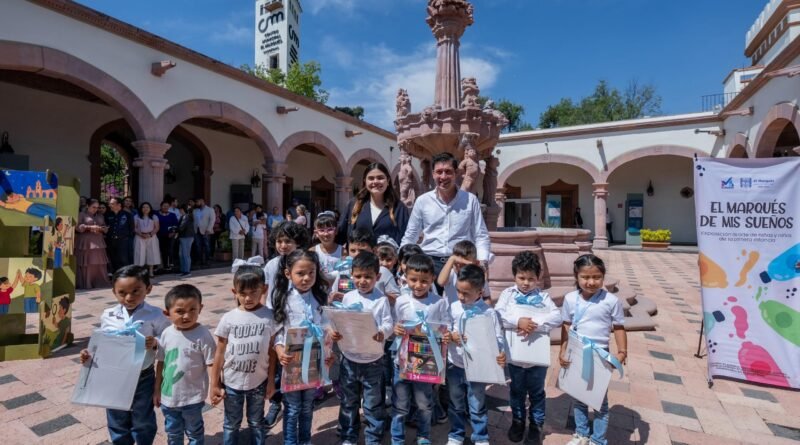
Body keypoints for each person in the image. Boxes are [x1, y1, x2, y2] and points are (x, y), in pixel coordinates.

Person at [79, 265, 170, 445]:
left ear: (148, 289)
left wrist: (155, 343)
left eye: (136, 291)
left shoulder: (155, 314)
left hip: (142, 375)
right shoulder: (109, 315)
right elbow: (102, 342)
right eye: (122, 293)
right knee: (117, 417)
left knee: (142, 418)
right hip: (114, 375)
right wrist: (88, 354)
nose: (129, 297)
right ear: (114, 292)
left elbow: (168, 338)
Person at [208, 265, 280, 445]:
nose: (248, 298)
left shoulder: (269, 317)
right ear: (234, 292)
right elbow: (220, 352)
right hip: (232, 383)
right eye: (243, 293)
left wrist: (271, 381)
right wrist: (214, 384)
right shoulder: (228, 318)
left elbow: (272, 353)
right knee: (231, 424)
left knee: (256, 422)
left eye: (254, 292)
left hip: (259, 382)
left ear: (264, 289)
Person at [495, 251, 562, 444]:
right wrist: (518, 321)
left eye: (531, 278)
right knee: (516, 390)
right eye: (521, 277)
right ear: (514, 275)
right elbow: (498, 315)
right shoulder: (508, 294)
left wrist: (535, 324)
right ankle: (517, 421)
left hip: (537, 357)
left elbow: (556, 317)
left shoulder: (543, 297)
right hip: (515, 356)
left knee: (537, 392)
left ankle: (536, 424)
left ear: (538, 278)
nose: (526, 282)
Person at [400, 152, 491, 294]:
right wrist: (403, 261)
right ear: (433, 174)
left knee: (461, 306)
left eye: (448, 172)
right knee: (430, 309)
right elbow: (411, 234)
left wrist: (483, 262)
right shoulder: (423, 201)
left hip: (460, 264)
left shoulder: (470, 200)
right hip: (429, 263)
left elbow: (481, 235)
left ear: (456, 173)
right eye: (439, 172)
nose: (443, 177)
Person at [560, 254, 627, 445]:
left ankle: (598, 439)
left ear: (603, 277)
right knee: (578, 395)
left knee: (599, 401)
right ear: (577, 276)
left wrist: (622, 352)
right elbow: (566, 325)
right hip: (576, 352)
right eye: (585, 277)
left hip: (600, 355)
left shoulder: (611, 301)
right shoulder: (570, 299)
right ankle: (581, 434)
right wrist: (562, 350)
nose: (591, 282)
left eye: (596, 277)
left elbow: (619, 327)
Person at [330, 251, 393, 445]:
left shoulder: (381, 300)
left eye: (368, 277)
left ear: (378, 277)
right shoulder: (348, 297)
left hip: (372, 360)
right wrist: (336, 332)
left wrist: (382, 332)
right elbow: (340, 320)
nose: (362, 281)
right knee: (349, 401)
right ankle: (349, 435)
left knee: (373, 403)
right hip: (349, 358)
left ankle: (373, 437)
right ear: (351, 275)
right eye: (358, 276)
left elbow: (388, 323)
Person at [272, 250, 332, 445]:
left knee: (307, 406)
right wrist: (280, 349)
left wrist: (329, 351)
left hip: (314, 362)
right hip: (292, 363)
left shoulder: (320, 298)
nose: (306, 278)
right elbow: (278, 331)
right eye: (300, 273)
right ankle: (291, 441)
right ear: (288, 273)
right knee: (292, 407)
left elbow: (326, 327)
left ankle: (305, 440)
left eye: (311, 273)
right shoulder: (284, 299)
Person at [391, 254, 451, 445]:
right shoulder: (401, 301)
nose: (418, 285)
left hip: (426, 362)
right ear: (405, 277)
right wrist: (396, 329)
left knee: (424, 404)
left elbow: (445, 326)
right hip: (402, 361)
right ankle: (397, 438)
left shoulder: (438, 302)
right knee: (400, 404)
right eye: (413, 280)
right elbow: (394, 324)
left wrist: (446, 334)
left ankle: (423, 435)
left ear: (432, 278)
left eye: (424, 281)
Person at [447, 265, 506, 445]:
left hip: (477, 367)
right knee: (455, 401)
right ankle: (456, 434)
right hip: (455, 364)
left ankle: (480, 436)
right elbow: (445, 329)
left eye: (466, 293)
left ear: (480, 291)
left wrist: (501, 352)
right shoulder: (454, 307)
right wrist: (451, 335)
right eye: (458, 291)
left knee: (477, 402)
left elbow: (498, 337)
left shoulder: (489, 313)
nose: (461, 297)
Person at [261, 221, 311, 427]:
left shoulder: (304, 262)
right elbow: (265, 289)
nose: (283, 245)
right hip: (275, 318)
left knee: (295, 362)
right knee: (274, 362)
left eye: (288, 241)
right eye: (279, 241)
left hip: (296, 321)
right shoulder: (272, 265)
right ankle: (275, 403)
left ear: (298, 243)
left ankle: (301, 397)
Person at [154, 284, 215, 445]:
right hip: (168, 399)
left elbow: (212, 363)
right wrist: (156, 390)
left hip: (193, 399)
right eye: (180, 311)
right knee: (173, 433)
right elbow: (161, 362)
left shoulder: (202, 334)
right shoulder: (166, 334)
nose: (186, 316)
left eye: (192, 310)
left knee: (195, 432)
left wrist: (214, 388)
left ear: (200, 308)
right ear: (167, 313)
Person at [337, 162, 410, 247]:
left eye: (380, 178)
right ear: (365, 181)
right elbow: (341, 234)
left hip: (386, 259)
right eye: (371, 178)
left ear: (388, 181)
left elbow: (406, 238)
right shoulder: (354, 205)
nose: (375, 181)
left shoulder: (399, 208)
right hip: (360, 259)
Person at [437, 240, 492, 305]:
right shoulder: (451, 274)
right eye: (456, 263)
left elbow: (486, 297)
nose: (459, 267)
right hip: (452, 312)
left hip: (474, 312)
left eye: (463, 264)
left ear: (475, 263)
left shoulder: (478, 277)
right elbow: (441, 282)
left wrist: (488, 311)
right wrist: (452, 259)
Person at [75, 198, 110, 289]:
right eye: (93, 207)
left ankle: (98, 281)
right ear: (87, 206)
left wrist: (104, 228)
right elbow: (77, 227)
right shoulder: (82, 214)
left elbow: (104, 226)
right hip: (86, 242)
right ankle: (87, 283)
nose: (95, 209)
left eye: (97, 207)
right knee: (87, 262)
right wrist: (89, 227)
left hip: (98, 241)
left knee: (99, 262)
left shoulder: (100, 216)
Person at [312, 212, 343, 283]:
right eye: (321, 230)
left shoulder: (343, 251)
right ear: (316, 233)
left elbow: (345, 276)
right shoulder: (312, 251)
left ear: (336, 231)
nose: (326, 234)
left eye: (330, 230)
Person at [106, 197, 135, 273]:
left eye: (112, 204)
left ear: (118, 205)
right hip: (111, 241)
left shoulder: (127, 215)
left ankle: (126, 276)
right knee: (113, 259)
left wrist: (126, 237)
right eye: (110, 203)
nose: (110, 205)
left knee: (124, 259)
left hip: (123, 241)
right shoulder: (108, 215)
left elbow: (131, 228)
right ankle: (117, 276)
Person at [134, 202, 162, 277]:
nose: (145, 209)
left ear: (150, 208)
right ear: (141, 208)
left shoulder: (154, 216)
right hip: (140, 236)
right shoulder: (137, 216)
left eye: (147, 207)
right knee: (139, 254)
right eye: (143, 207)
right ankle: (140, 272)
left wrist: (150, 234)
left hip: (151, 237)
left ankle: (151, 272)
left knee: (151, 253)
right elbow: (134, 227)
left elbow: (157, 227)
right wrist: (141, 234)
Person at [156, 200, 179, 272]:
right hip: (159, 235)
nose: (165, 207)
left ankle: (168, 265)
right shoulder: (156, 214)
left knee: (169, 250)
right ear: (161, 206)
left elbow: (176, 225)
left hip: (170, 235)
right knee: (162, 250)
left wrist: (173, 233)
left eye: (167, 206)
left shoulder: (172, 215)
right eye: (164, 206)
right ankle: (160, 265)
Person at [193, 198, 215, 265]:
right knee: (198, 246)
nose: (196, 203)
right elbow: (194, 221)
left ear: (202, 201)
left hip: (206, 231)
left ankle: (207, 260)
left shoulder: (210, 210)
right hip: (197, 230)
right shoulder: (195, 210)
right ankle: (199, 260)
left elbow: (212, 220)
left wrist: (208, 229)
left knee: (207, 246)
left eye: (198, 201)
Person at [177, 204, 195, 277]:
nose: (179, 211)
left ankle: (187, 271)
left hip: (187, 237)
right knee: (181, 254)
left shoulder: (186, 216)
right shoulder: (184, 216)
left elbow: (182, 227)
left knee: (185, 254)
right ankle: (183, 270)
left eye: (180, 209)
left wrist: (175, 229)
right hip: (184, 237)